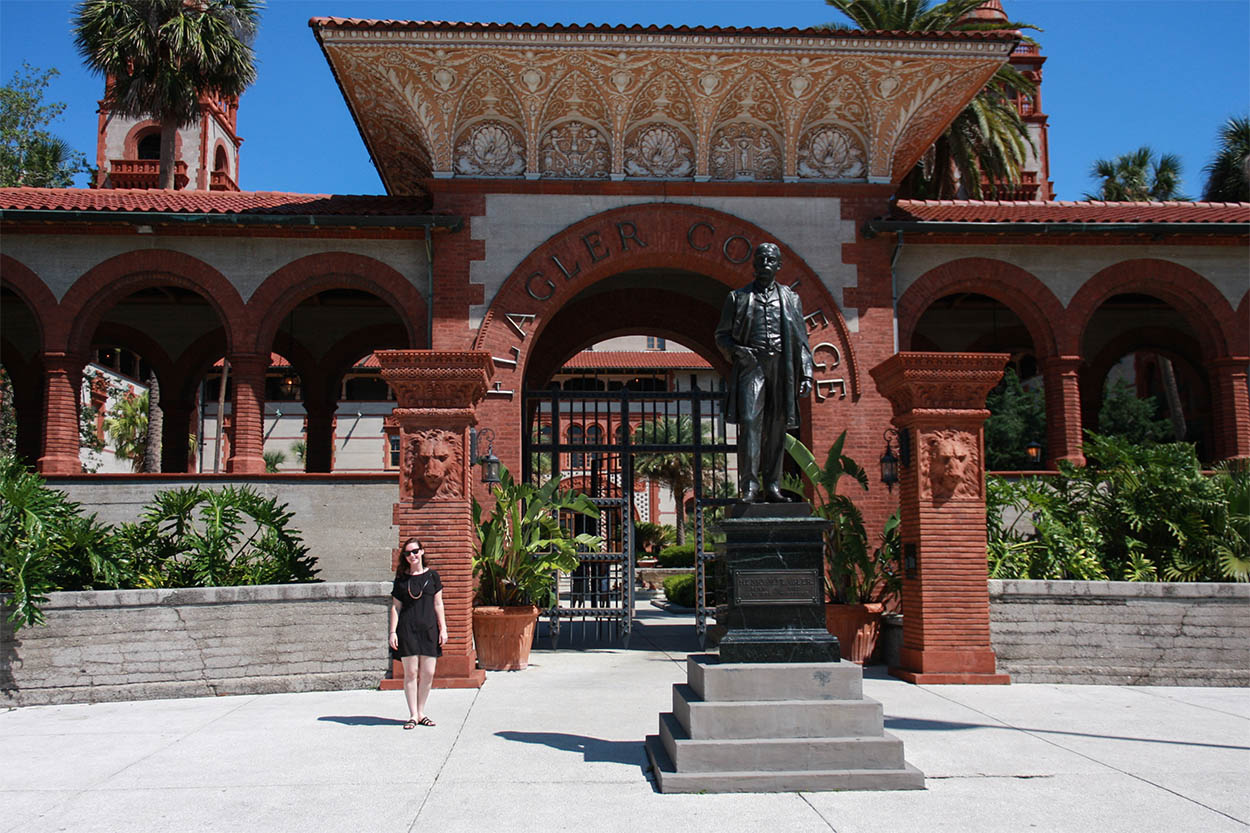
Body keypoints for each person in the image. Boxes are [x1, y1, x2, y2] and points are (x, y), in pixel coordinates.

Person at [714, 242, 814, 502]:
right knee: (750, 422)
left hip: (782, 366)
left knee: (777, 426)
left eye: (770, 260)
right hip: (752, 365)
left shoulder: (791, 298)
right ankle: (749, 486)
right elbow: (721, 336)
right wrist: (737, 352)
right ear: (754, 264)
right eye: (760, 260)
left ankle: (772, 485)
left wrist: (806, 372)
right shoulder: (737, 298)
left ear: (779, 265)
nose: (765, 264)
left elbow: (802, 339)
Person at [389, 537, 447, 729]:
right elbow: (396, 607)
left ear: (422, 552)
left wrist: (443, 628)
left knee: (428, 673)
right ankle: (413, 714)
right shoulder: (402, 580)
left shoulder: (433, 577)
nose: (412, 555)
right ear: (405, 557)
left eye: (415, 551)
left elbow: (438, 604)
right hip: (407, 630)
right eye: (408, 553)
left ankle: (422, 712)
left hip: (429, 629)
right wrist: (392, 632)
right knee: (411, 673)